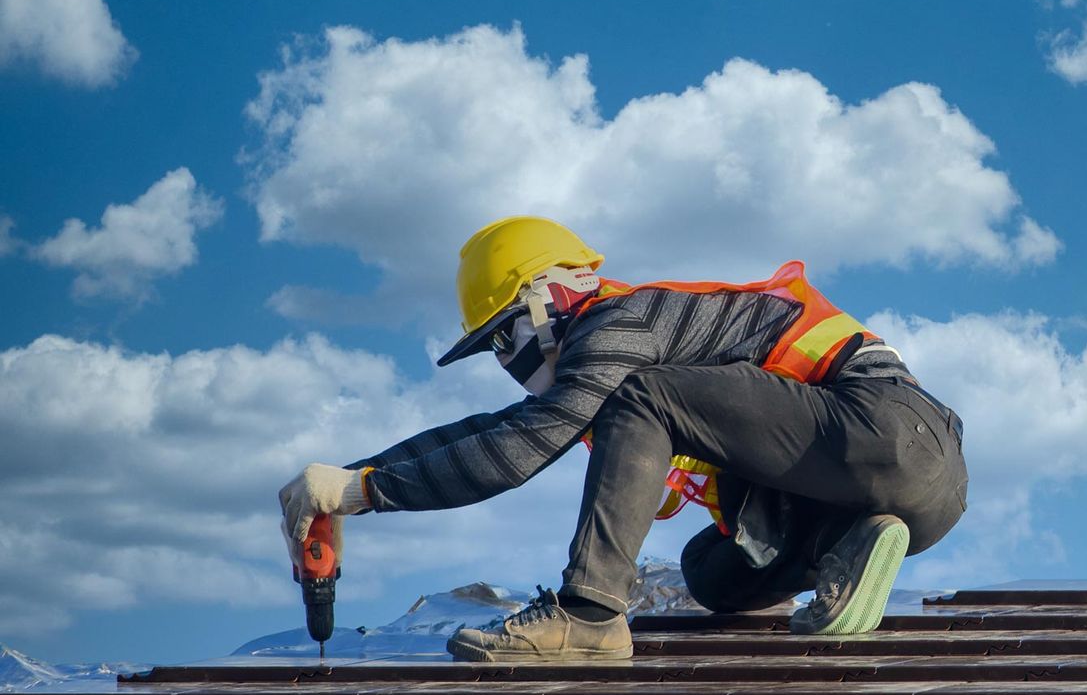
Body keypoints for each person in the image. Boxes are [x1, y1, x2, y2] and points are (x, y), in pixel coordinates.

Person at [276, 216, 968, 661]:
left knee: (646, 395)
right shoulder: (623, 337)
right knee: (713, 572)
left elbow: (524, 444)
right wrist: (350, 481)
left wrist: (367, 492)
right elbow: (496, 432)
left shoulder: (618, 324)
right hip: (902, 484)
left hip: (889, 429)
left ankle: (589, 615)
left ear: (548, 298)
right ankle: (847, 546)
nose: (507, 361)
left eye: (502, 336)